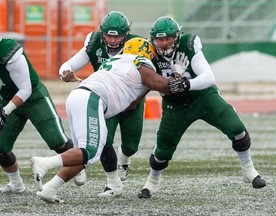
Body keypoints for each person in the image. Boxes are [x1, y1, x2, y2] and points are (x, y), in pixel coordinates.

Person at [30, 37, 187, 203]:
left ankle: (49, 189)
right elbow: (167, 87)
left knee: (87, 155)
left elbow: (131, 103)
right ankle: (45, 163)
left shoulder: (116, 60)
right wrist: (177, 73)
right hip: (92, 99)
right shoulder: (140, 62)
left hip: (80, 97)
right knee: (90, 152)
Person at [137, 16, 267, 199]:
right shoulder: (148, 53)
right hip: (175, 105)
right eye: (159, 39)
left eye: (168, 38)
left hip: (204, 97)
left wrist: (186, 84)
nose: (164, 43)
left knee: (237, 128)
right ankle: (152, 182)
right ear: (153, 39)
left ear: (176, 37)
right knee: (162, 150)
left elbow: (208, 77)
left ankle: (249, 170)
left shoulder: (188, 44)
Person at [59, 11, 146, 197]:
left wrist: (137, 98)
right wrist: (65, 73)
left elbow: (151, 78)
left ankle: (124, 159)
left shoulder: (138, 45)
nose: (113, 40)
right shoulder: (94, 41)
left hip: (132, 101)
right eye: (108, 35)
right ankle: (113, 184)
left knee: (131, 146)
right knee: (104, 141)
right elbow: (67, 65)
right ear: (102, 32)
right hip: (106, 100)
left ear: (126, 34)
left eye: (118, 36)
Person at [0, 36, 85, 193]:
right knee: (1, 146)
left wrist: (5, 111)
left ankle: (77, 166)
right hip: (6, 99)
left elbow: (25, 89)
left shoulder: (7, 51)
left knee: (57, 140)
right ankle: (16, 184)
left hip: (34, 98)